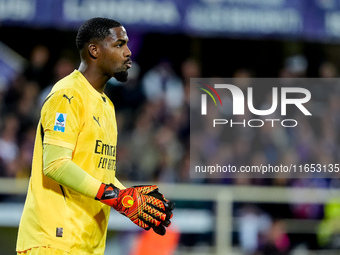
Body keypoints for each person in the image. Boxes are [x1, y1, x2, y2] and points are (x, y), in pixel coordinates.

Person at [16, 17, 175, 255]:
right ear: (94, 50)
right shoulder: (68, 94)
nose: (129, 52)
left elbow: (101, 176)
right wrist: (115, 196)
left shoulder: (106, 106)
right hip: (54, 242)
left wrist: (128, 200)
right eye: (119, 44)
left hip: (87, 245)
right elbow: (56, 164)